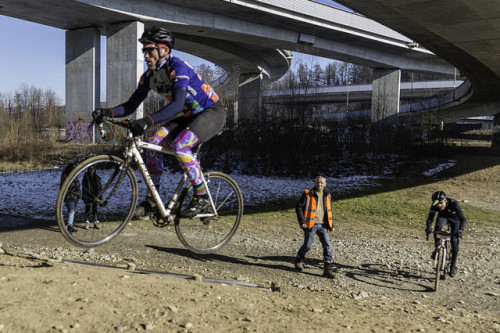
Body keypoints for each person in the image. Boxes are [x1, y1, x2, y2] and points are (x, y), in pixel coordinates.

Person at [92, 26, 225, 219]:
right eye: (144, 51)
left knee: (181, 145)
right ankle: (152, 201)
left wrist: (147, 120)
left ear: (164, 50)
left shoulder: (177, 68)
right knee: (153, 143)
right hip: (190, 116)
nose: (146, 55)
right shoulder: (149, 77)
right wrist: (107, 112)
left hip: (211, 112)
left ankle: (202, 195)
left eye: (150, 50)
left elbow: (178, 104)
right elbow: (130, 105)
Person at [293, 176, 335, 279]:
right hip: (310, 225)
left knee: (327, 245)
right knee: (307, 245)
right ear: (315, 183)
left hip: (323, 224)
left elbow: (328, 211)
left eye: (321, 183)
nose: (319, 185)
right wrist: (302, 222)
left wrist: (331, 225)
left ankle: (327, 269)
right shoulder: (308, 194)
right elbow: (298, 207)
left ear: (325, 184)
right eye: (318, 183)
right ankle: (298, 259)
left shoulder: (327, 195)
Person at [425, 190, 466, 277]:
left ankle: (453, 265)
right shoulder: (435, 205)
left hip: (455, 220)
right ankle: (437, 248)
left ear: (445, 201)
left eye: (441, 203)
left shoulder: (453, 203)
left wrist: (460, 230)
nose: (439, 206)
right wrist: (428, 227)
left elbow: (463, 219)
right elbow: (430, 218)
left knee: (454, 241)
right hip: (443, 217)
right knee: (437, 228)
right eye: (437, 204)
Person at [60, 163, 81, 233]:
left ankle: (70, 225)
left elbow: (78, 185)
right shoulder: (65, 176)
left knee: (72, 211)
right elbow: (62, 187)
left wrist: (79, 194)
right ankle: (69, 226)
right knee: (71, 211)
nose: (74, 170)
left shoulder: (76, 175)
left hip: (76, 196)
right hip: (69, 196)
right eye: (73, 168)